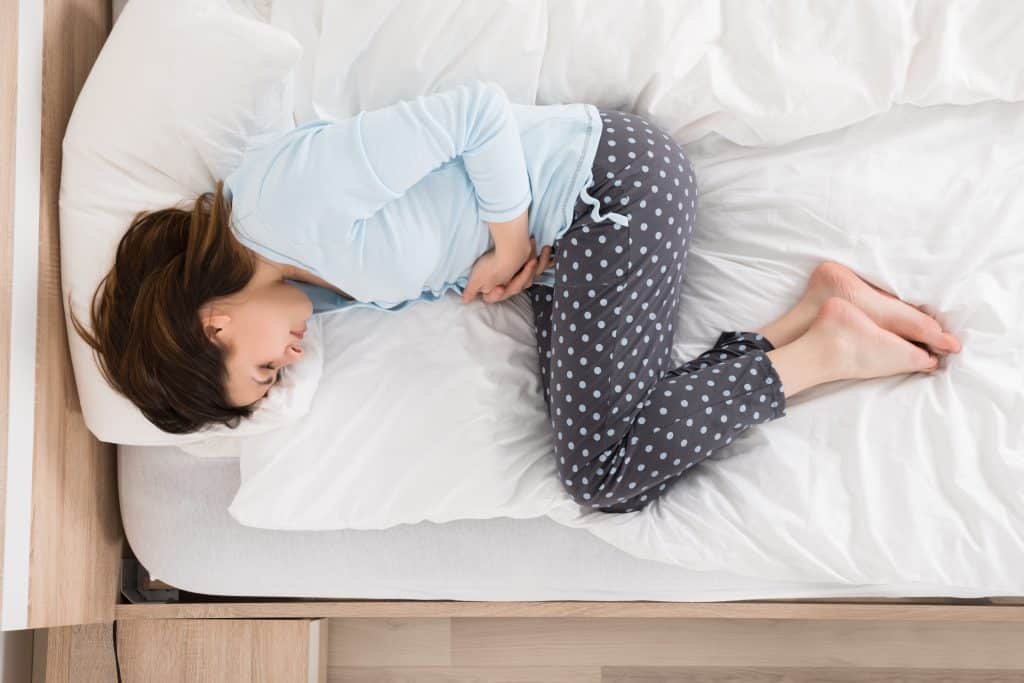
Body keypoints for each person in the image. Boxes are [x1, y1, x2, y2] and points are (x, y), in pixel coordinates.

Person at [70, 84, 961, 513]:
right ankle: (811, 319)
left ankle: (823, 346)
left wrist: (506, 237)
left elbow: (476, 116)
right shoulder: (298, 281)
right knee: (602, 454)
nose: (291, 364)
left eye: (264, 367)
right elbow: (417, 247)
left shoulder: (287, 203)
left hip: (608, 186)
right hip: (569, 241)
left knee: (604, 474)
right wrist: (482, 270)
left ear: (212, 320)